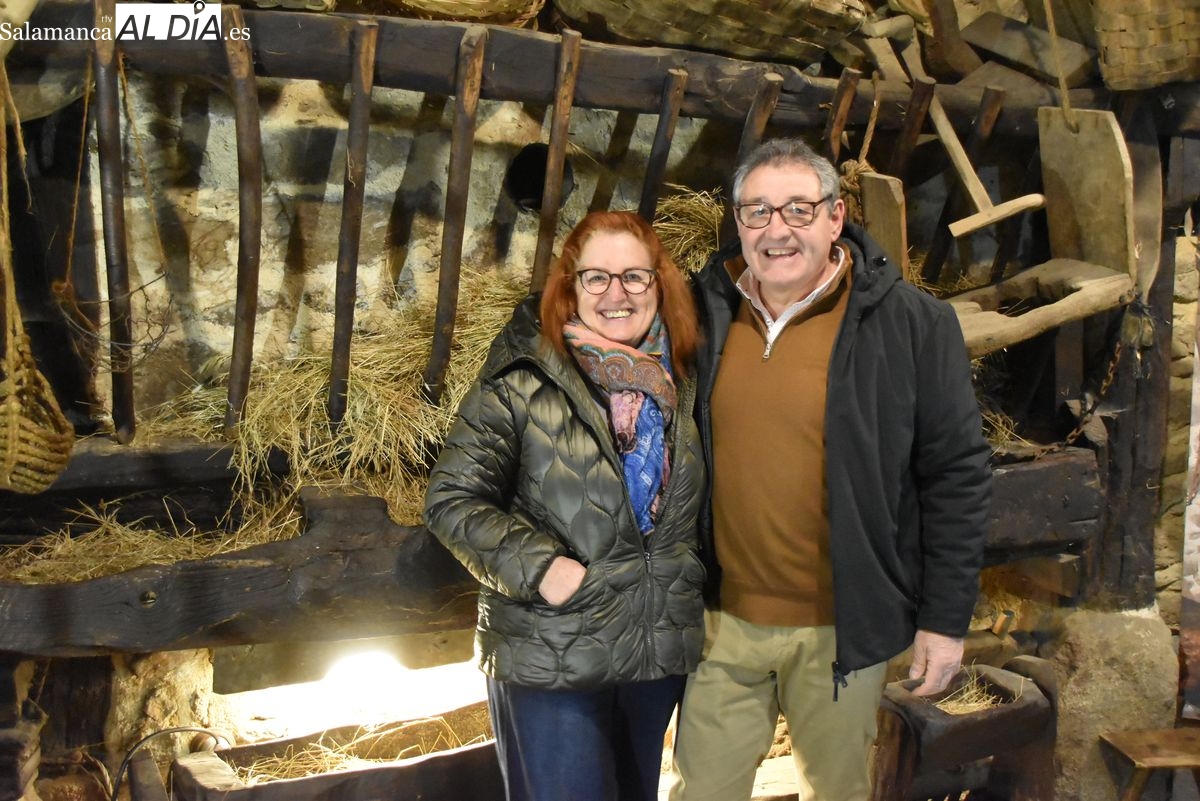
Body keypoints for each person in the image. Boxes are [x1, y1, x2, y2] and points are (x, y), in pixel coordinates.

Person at [669, 138, 992, 801]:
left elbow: (956, 473)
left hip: (843, 627)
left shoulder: (911, 324)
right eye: (756, 212)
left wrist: (946, 619)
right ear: (736, 221)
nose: (776, 229)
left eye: (797, 209)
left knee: (839, 790)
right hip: (722, 624)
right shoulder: (704, 312)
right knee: (701, 790)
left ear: (836, 217)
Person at [424, 210, 707, 801]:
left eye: (634, 276)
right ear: (569, 287)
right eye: (596, 277)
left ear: (659, 284)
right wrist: (542, 569)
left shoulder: (685, 381)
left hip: (652, 653)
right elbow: (451, 498)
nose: (616, 294)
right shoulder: (522, 377)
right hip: (552, 651)